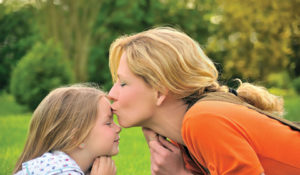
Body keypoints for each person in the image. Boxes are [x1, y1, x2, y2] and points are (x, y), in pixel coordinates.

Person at [107, 27, 300, 175]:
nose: (111, 94)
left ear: (159, 91)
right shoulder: (183, 143)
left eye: (123, 83)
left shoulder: (204, 121)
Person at [13, 84, 121, 175]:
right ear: (77, 138)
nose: (118, 128)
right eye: (108, 123)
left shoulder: (55, 165)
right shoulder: (62, 171)